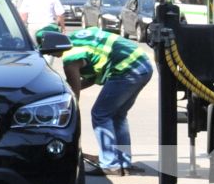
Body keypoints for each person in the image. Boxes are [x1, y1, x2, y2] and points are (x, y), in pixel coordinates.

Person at [37, 23, 152, 175]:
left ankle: (110, 164)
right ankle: (123, 163)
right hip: (142, 65)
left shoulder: (70, 58)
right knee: (117, 115)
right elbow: (89, 79)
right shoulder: (78, 37)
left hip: (126, 70)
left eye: (49, 51)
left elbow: (74, 90)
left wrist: (69, 110)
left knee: (101, 114)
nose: (51, 55)